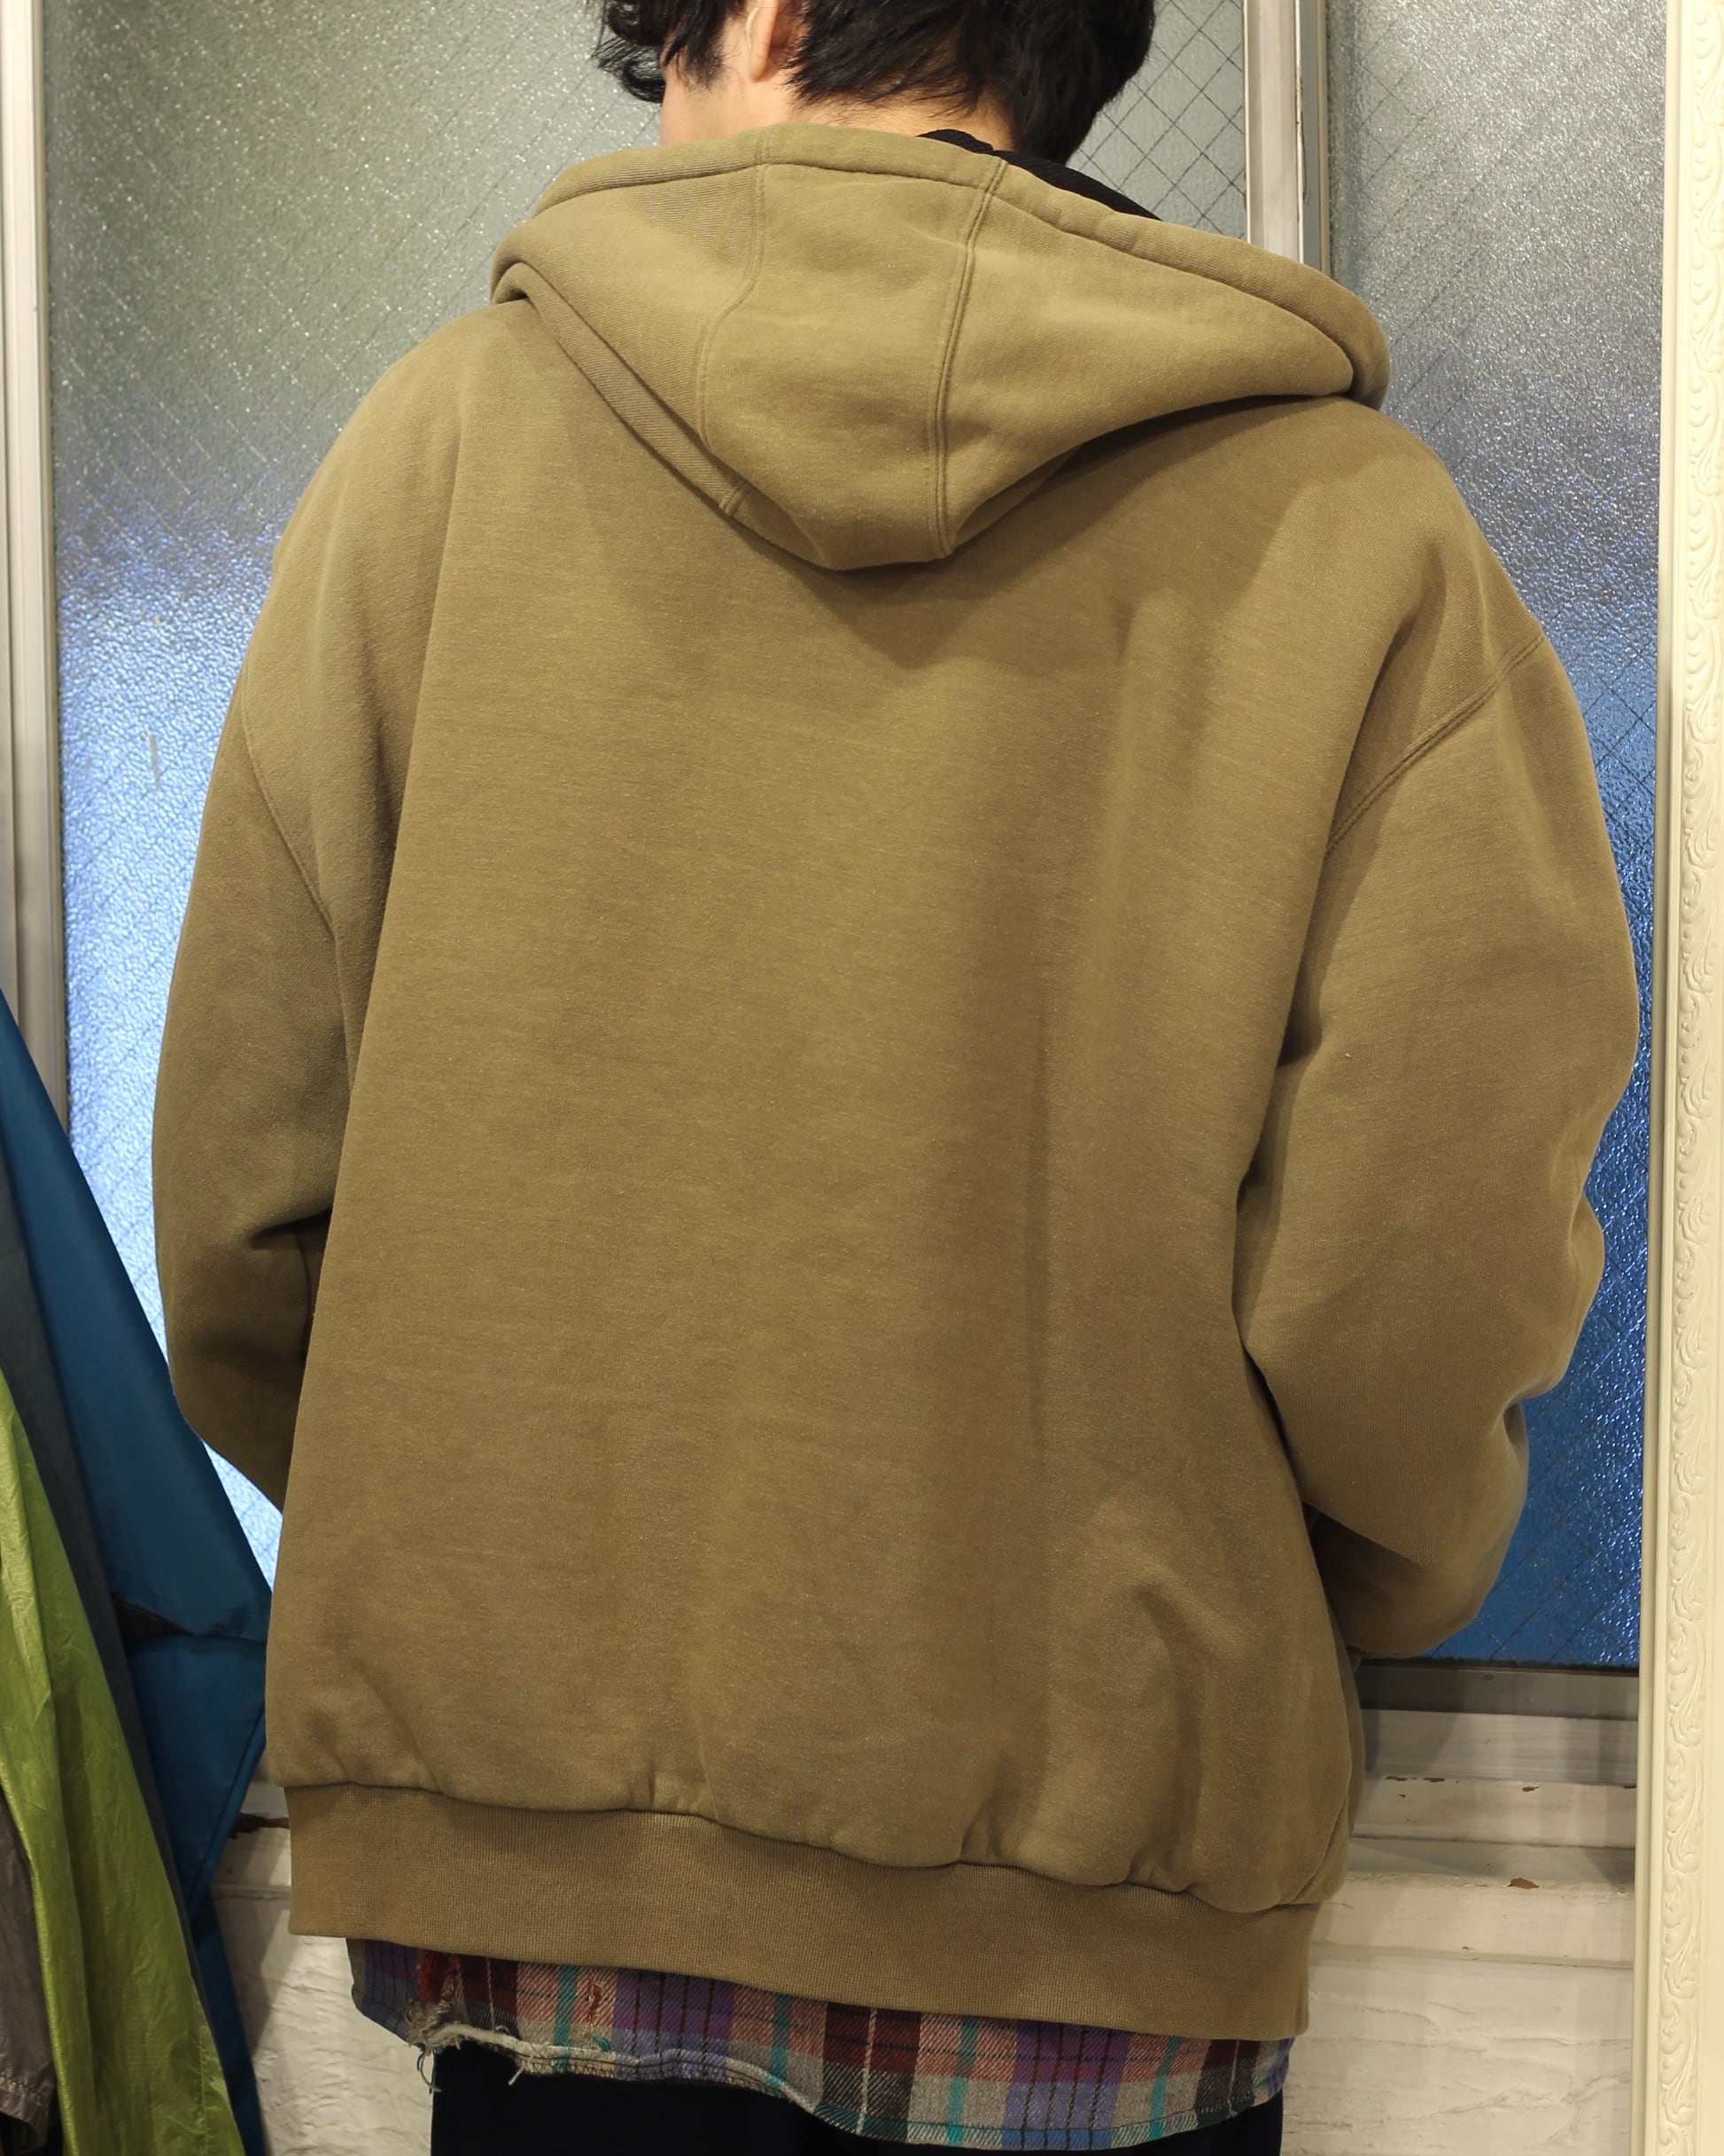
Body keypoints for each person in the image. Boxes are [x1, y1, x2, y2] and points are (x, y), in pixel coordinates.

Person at [149, 0, 1641, 2147]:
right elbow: (1424, 1252)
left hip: (547, 1893)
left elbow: (247, 1204)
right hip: (1100, 1896)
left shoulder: (436, 455)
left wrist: (491, 1549)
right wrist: (1269, 1611)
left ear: (758, 16)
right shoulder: (1356, 531)